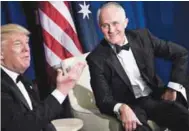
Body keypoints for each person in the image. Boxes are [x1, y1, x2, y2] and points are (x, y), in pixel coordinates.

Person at [86, 2, 189, 131]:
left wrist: (172, 88)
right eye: (105, 26)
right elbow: (103, 99)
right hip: (130, 105)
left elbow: (181, 53)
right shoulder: (96, 58)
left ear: (125, 22)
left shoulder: (143, 37)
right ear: (99, 27)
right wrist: (121, 107)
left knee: (184, 118)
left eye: (115, 23)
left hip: (155, 97)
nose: (111, 30)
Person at [1, 24, 86, 131]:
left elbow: (40, 120)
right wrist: (61, 91)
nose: (26, 49)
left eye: (27, 43)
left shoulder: (25, 81)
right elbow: (20, 125)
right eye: (18, 44)